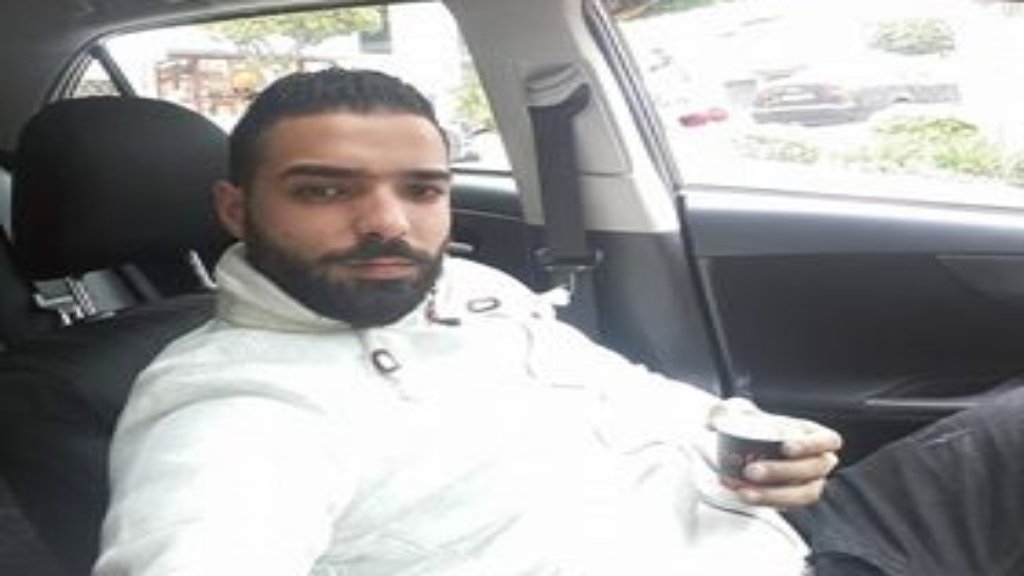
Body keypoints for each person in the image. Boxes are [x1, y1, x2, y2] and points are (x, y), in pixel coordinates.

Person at [93, 68, 1024, 576]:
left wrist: (753, 438)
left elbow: (640, 395)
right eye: (324, 191)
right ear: (235, 209)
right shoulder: (236, 408)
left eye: (422, 189)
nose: (388, 222)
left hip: (797, 537)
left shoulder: (471, 290)